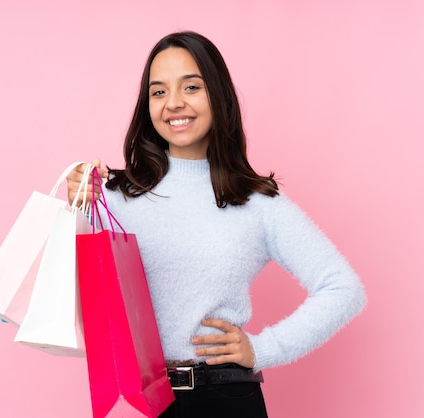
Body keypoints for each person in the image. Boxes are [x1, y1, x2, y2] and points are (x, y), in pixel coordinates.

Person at [67, 31, 366, 417]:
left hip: (225, 400)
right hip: (144, 400)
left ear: (219, 96)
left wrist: (263, 349)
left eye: (191, 87)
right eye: (158, 92)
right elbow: (84, 291)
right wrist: (78, 206)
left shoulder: (257, 201)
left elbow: (344, 288)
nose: (173, 103)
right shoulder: (115, 195)